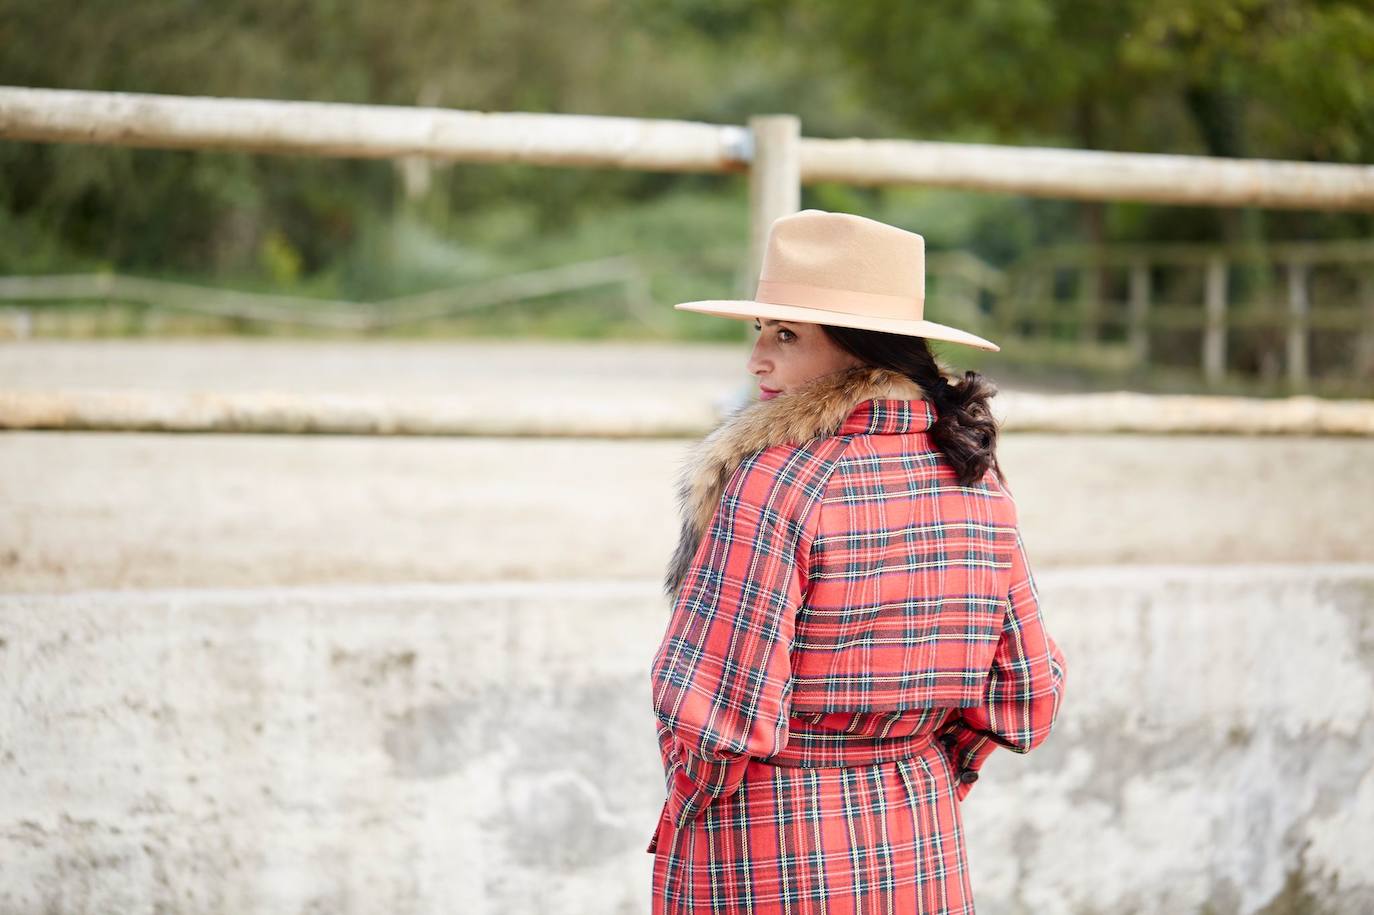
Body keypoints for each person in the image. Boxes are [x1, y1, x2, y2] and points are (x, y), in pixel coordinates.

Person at [646, 210, 1066, 914]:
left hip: (769, 842)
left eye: (786, 335)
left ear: (861, 350)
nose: (757, 359)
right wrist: (915, 765)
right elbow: (1026, 689)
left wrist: (696, 807)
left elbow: (715, 714)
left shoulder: (780, 482)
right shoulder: (974, 476)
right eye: (760, 332)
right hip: (920, 838)